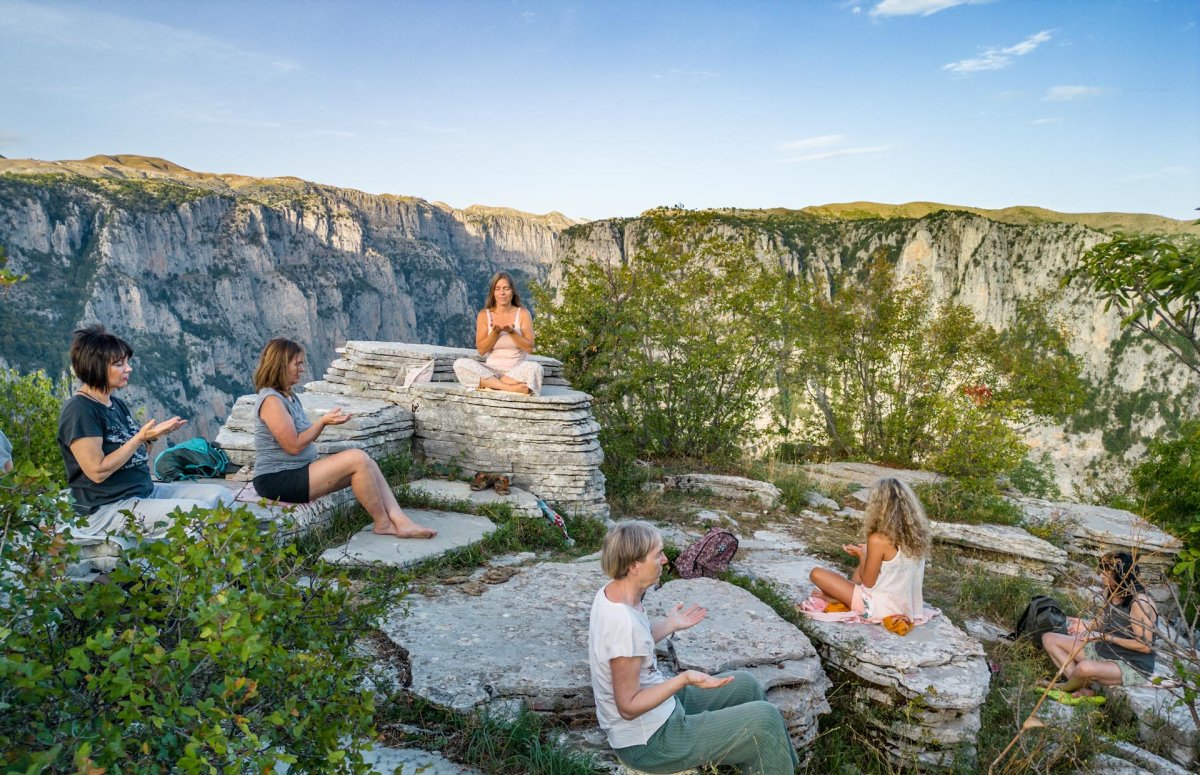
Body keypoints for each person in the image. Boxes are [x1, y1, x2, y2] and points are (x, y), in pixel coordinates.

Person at [588, 520, 798, 774]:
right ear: (634, 565)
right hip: (649, 742)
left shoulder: (616, 594)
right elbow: (628, 707)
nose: (665, 560)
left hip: (659, 714)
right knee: (765, 721)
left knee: (744, 684)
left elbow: (632, 645)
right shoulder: (623, 622)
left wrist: (669, 624)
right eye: (657, 554)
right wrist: (683, 679)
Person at [56, 324, 234, 541]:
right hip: (107, 508)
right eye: (119, 364)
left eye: (127, 362)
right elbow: (96, 471)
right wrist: (139, 437)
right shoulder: (80, 410)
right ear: (97, 367)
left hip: (143, 492)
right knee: (197, 513)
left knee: (222, 497)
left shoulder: (116, 404)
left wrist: (152, 437)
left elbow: (137, 458)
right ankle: (190, 572)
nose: (128, 369)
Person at [252, 337, 436, 539]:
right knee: (357, 458)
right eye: (297, 363)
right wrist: (322, 422)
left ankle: (400, 521)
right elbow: (293, 446)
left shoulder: (289, 396)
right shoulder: (271, 401)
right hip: (278, 480)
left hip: (298, 472)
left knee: (368, 464)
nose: (302, 368)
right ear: (280, 364)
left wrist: (325, 422)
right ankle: (383, 523)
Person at [808, 478, 931, 623]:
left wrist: (863, 555)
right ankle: (838, 597)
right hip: (905, 608)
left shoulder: (878, 540)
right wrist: (867, 552)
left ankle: (837, 598)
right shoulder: (917, 538)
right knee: (859, 572)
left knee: (816, 573)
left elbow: (868, 582)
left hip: (878, 608)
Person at [1042, 551, 1157, 695]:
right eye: (1101, 570)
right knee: (1049, 638)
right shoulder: (1110, 591)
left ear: (1122, 574)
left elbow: (1145, 646)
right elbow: (1104, 620)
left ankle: (1066, 686)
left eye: (1106, 571)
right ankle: (1079, 684)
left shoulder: (1139, 603)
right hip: (1105, 649)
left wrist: (1106, 637)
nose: (1101, 575)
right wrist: (1086, 625)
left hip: (1131, 663)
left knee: (1084, 668)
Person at [452, 271, 543, 395]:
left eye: (506, 288)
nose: (502, 293)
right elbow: (481, 350)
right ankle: (508, 388)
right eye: (498, 289)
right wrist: (495, 333)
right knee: (460, 364)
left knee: (536, 369)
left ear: (513, 292)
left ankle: (491, 385)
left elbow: (529, 348)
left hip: (516, 370)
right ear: (493, 293)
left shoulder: (523, 314)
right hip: (491, 371)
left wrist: (512, 332)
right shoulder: (484, 315)